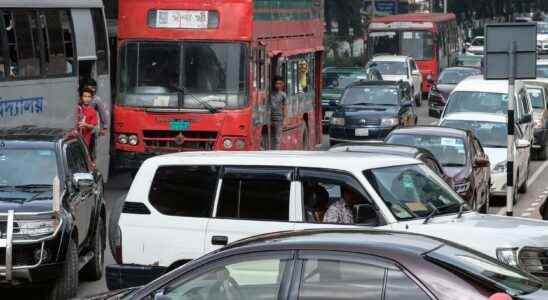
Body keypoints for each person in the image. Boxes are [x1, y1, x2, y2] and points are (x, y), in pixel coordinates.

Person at [78, 87, 98, 155]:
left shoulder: (93, 112)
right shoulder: (77, 108)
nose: (87, 98)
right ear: (81, 97)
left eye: (89, 96)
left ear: (91, 98)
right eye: (85, 96)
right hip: (75, 139)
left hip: (85, 140)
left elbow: (92, 126)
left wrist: (85, 125)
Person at [270, 76, 287, 150]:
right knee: (270, 137)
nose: (278, 85)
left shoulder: (283, 95)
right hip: (269, 119)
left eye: (280, 84)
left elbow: (285, 107)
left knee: (277, 138)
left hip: (279, 119)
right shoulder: (269, 94)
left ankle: (276, 153)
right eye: (277, 83)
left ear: (283, 84)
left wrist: (285, 120)